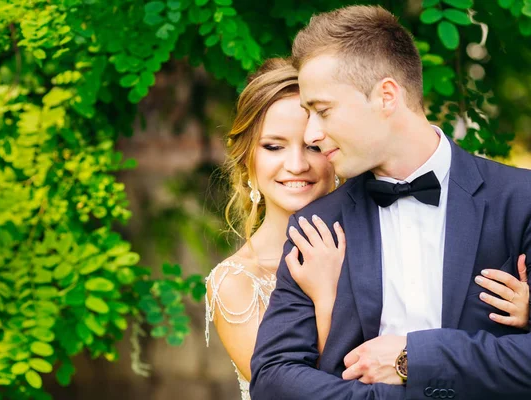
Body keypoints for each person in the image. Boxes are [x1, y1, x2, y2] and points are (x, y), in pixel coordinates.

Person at [250, 5, 531, 400]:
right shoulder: (317, 228)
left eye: (323, 111)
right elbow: (274, 377)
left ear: (386, 96)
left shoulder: (521, 202)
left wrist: (413, 358)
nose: (312, 134)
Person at [205, 58, 346, 400]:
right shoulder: (236, 283)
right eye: (274, 146)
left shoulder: (378, 241)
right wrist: (326, 295)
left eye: (313, 146)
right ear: (247, 161)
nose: (296, 165)